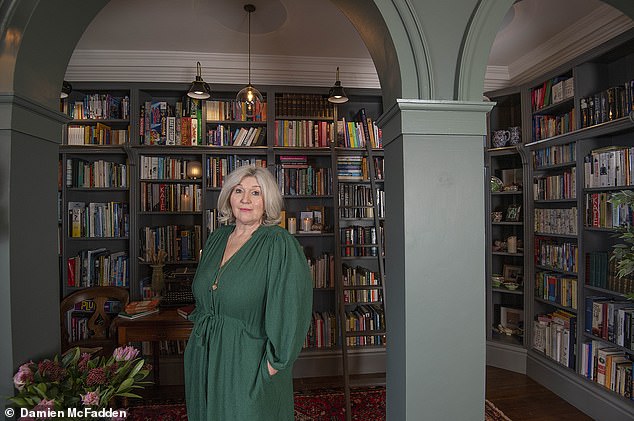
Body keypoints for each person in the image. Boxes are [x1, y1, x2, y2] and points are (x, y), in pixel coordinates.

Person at [184, 165, 312, 420]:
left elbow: (292, 309)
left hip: (248, 363)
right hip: (205, 356)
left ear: (268, 201)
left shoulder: (278, 243)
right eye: (239, 190)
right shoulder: (217, 239)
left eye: (256, 193)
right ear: (228, 196)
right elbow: (207, 295)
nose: (245, 199)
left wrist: (273, 365)